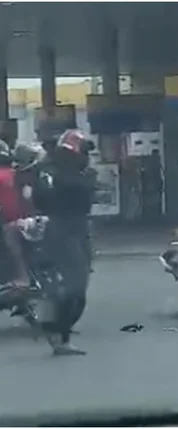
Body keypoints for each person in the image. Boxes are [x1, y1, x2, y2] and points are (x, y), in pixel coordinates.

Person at [28, 129, 95, 355]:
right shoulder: (56, 170)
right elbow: (42, 197)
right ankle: (59, 335)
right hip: (62, 227)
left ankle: (60, 332)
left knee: (80, 282)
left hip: (77, 226)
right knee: (74, 283)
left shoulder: (75, 170)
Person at [0, 140, 30, 290]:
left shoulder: (4, 176)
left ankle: (21, 276)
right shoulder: (16, 174)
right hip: (24, 219)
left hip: (9, 222)